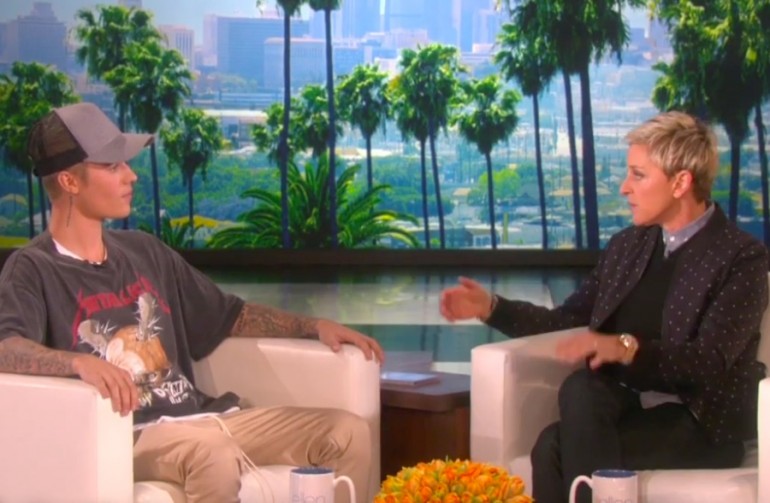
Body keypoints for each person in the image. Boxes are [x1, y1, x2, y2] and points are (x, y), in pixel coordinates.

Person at [0, 102, 384, 503]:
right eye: (112, 166)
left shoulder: (145, 251)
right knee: (211, 452)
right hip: (129, 433)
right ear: (69, 181)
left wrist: (313, 326)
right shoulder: (32, 268)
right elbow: (6, 348)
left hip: (207, 419)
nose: (131, 175)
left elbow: (230, 315)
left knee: (346, 433)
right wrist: (77, 363)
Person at [440, 111, 769, 503]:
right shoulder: (628, 246)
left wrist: (624, 348)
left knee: (551, 448)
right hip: (623, 406)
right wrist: (492, 307)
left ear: (681, 182)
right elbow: (566, 321)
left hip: (700, 420)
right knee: (581, 387)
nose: (624, 187)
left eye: (638, 175)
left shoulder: (741, 257)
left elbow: (708, 362)